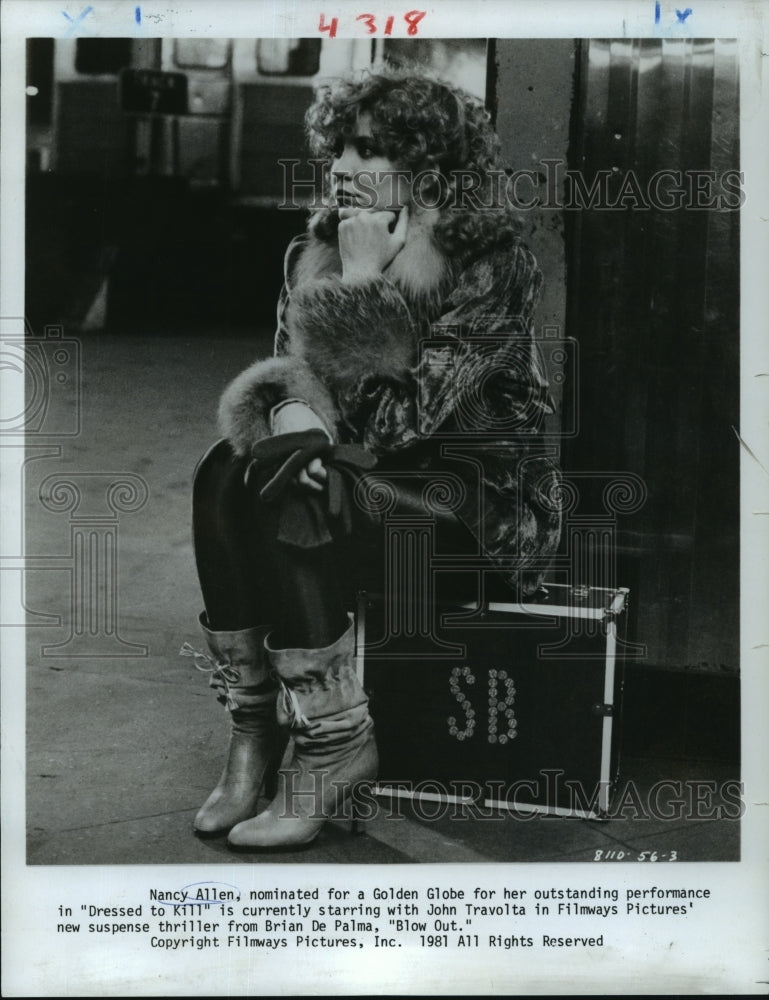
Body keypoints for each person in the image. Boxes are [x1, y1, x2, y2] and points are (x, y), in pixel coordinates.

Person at [187, 69, 562, 852]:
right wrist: (291, 417)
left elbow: (400, 425)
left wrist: (360, 286)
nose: (341, 167)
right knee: (227, 469)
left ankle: (333, 747)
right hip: (361, 482)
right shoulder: (314, 249)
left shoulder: (490, 263)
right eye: (338, 149)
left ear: (427, 167)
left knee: (306, 485)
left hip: (475, 511)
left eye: (368, 151)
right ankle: (256, 729)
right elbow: (288, 386)